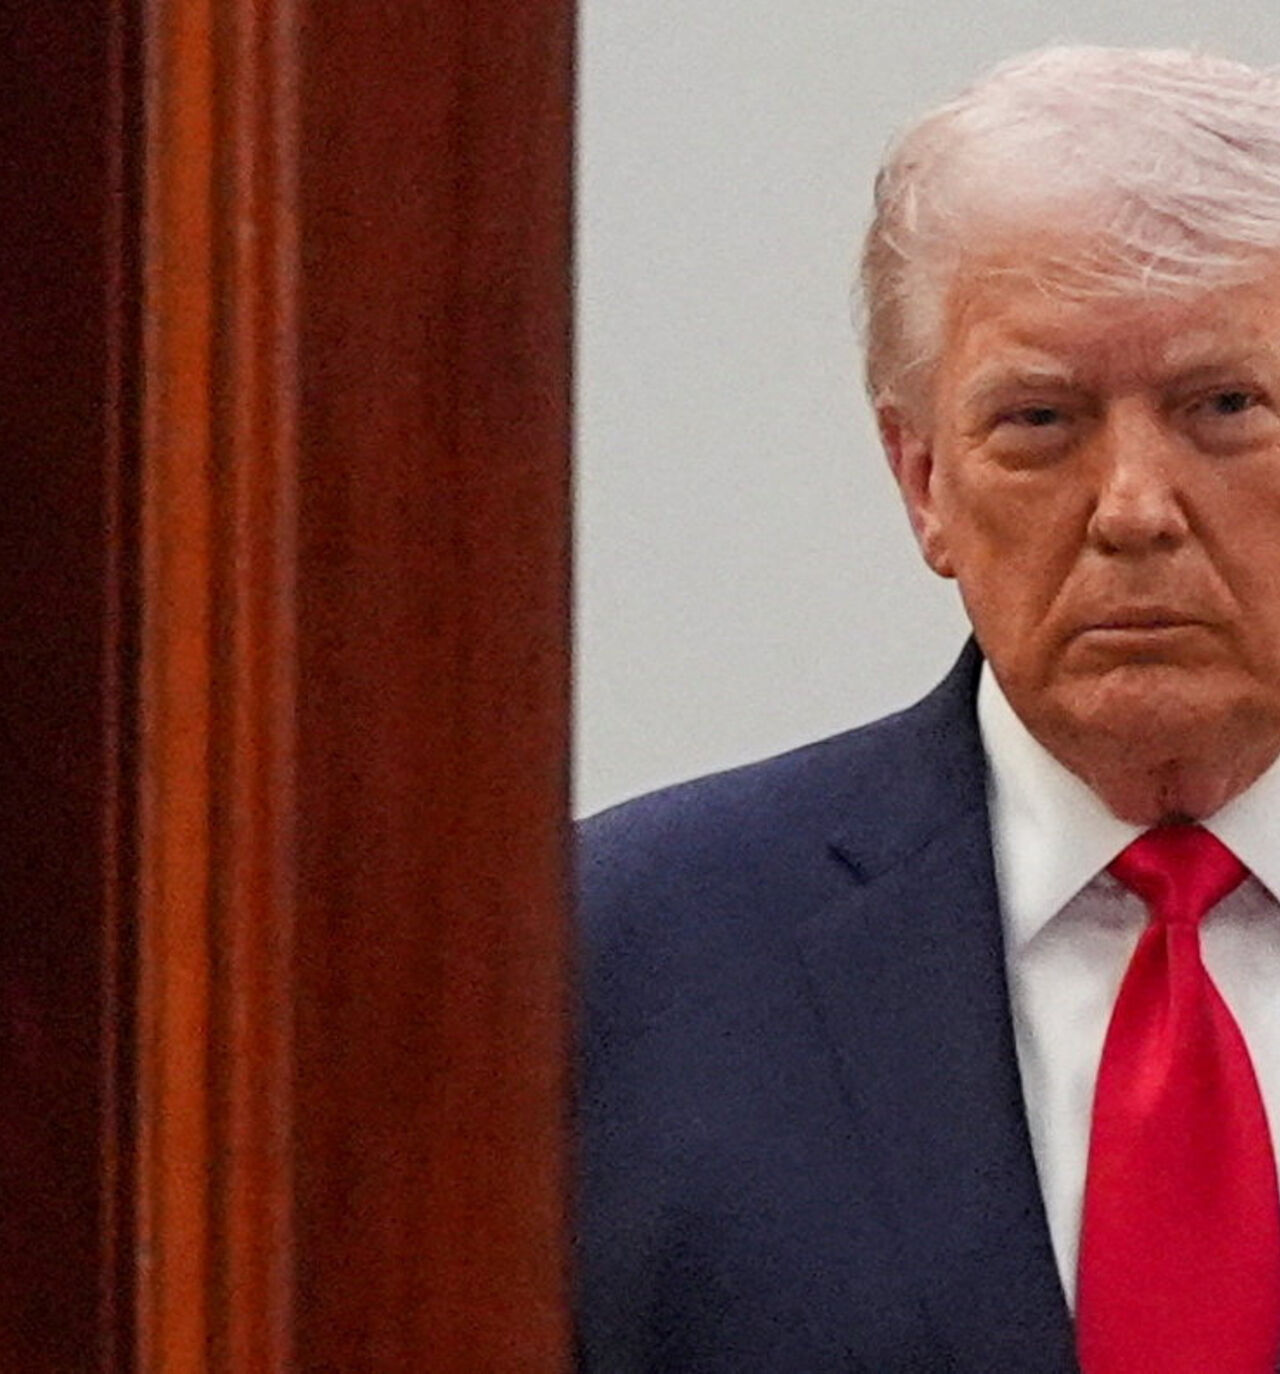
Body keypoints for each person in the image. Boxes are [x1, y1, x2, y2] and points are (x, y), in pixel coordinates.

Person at [575, 44, 1280, 1374]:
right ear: (923, 483)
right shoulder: (615, 961)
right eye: (1041, 420)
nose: (1135, 507)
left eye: (1225, 406)